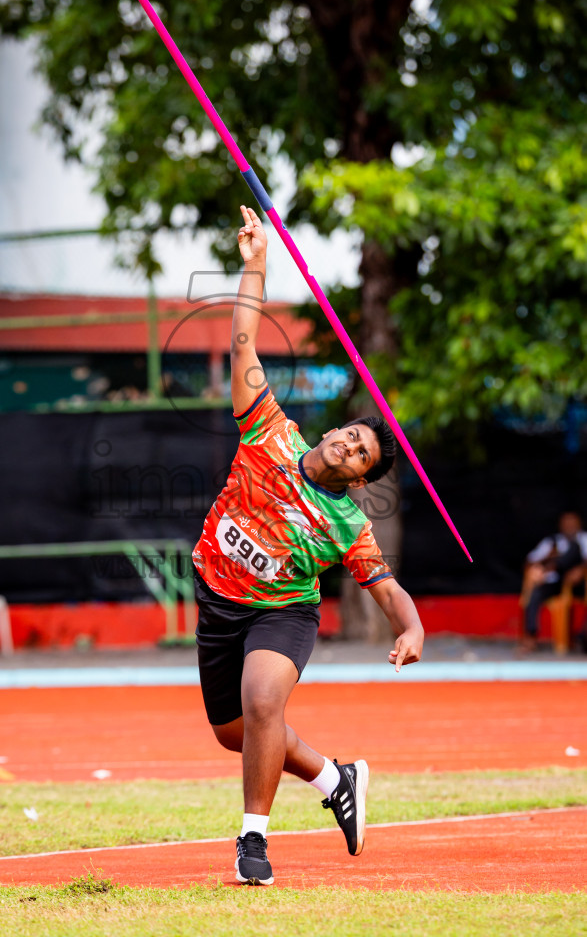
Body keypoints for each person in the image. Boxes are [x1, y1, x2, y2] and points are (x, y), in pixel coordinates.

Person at [192, 205, 425, 886]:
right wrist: (255, 262)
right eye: (352, 435)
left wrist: (409, 626)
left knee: (265, 704)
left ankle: (253, 844)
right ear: (333, 433)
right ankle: (333, 777)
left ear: (359, 477)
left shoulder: (345, 523)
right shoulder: (268, 429)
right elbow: (243, 344)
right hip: (216, 598)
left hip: (280, 613)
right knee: (235, 733)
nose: (351, 446)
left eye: (363, 455)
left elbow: (384, 586)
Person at [520, 511, 587, 650]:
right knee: (535, 594)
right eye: (566, 523)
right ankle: (531, 635)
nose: (569, 526)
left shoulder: (584, 539)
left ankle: (583, 636)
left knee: (575, 547)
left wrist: (581, 570)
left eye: (572, 523)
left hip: (579, 583)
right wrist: (548, 557)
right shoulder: (552, 541)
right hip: (555, 582)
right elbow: (530, 561)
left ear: (579, 525)